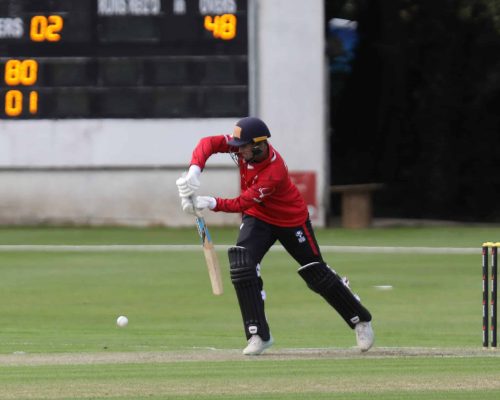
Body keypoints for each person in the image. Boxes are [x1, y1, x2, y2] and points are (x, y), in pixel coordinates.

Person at [176, 117, 374, 355]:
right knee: (243, 265)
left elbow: (244, 201)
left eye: (244, 146)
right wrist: (194, 172)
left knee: (316, 273)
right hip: (258, 218)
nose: (238, 150)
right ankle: (258, 334)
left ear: (259, 145)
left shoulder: (274, 171)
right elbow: (207, 144)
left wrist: (210, 202)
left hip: (291, 221)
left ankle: (359, 319)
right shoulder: (245, 148)